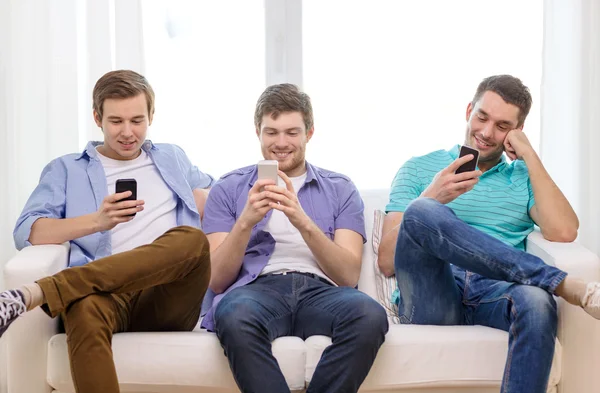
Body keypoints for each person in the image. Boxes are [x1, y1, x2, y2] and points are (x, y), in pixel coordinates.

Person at [377, 74, 600, 393]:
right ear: (469, 110)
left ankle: (550, 284)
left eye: (502, 126)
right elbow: (386, 260)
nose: (485, 132)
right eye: (482, 117)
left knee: (538, 301)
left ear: (516, 132)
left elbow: (564, 231)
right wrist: (433, 196)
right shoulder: (419, 168)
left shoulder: (522, 177)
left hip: (495, 290)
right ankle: (564, 284)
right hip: (434, 291)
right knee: (422, 211)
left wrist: (529, 156)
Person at [0, 70, 214, 393]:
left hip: (167, 296)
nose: (127, 132)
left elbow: (221, 197)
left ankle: (42, 291)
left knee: (192, 240)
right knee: (82, 307)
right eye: (116, 121)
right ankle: (59, 291)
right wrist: (97, 221)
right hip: (105, 297)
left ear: (151, 116)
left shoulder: (173, 157)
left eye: (137, 120)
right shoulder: (66, 169)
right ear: (97, 117)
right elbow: (28, 231)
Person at [201, 83, 388, 393]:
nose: (281, 142)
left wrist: (301, 220)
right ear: (258, 132)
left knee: (369, 315)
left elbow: (348, 274)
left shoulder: (340, 188)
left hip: (321, 292)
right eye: (271, 132)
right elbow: (217, 280)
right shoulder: (228, 188)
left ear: (309, 133)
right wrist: (246, 221)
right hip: (257, 290)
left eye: (291, 132)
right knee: (231, 314)